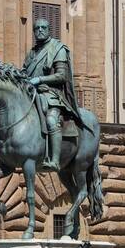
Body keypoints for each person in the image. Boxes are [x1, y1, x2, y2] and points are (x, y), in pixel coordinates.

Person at [21, 14, 85, 171]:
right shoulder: (32, 53)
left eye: (43, 28)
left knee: (50, 120)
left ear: (49, 30)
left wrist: (40, 80)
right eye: (37, 28)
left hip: (51, 95)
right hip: (31, 93)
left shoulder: (58, 49)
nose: (40, 30)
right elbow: (24, 72)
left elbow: (61, 76)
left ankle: (55, 160)